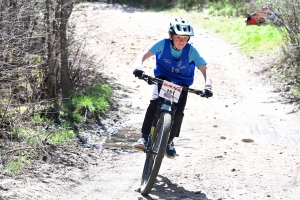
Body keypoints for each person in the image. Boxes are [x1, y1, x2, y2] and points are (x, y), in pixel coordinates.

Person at [132, 17, 213, 159]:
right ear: (171, 36)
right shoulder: (163, 44)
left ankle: (169, 141)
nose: (182, 41)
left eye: (185, 38)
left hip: (182, 84)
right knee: (155, 103)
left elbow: (204, 68)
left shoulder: (191, 50)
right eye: (178, 38)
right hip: (163, 78)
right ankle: (144, 137)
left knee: (179, 112)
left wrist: (208, 86)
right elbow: (143, 55)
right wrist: (138, 67)